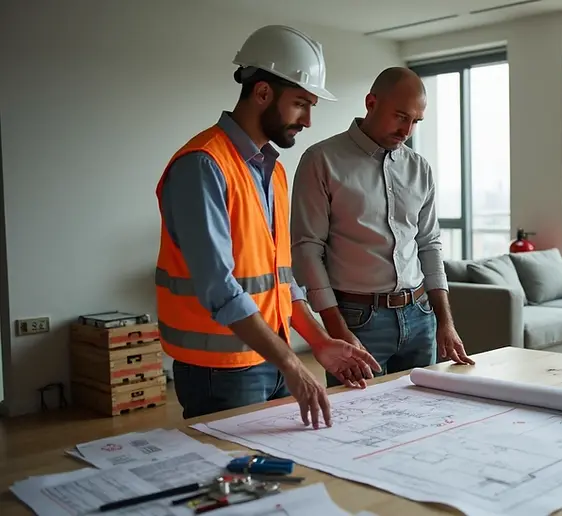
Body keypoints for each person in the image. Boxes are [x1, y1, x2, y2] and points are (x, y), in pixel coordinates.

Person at [155, 25, 381, 428]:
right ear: (261, 93)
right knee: (233, 481)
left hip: (271, 357)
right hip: (221, 370)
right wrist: (293, 363)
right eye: (299, 104)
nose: (308, 120)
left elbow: (280, 280)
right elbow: (219, 288)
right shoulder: (202, 165)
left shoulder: (272, 170)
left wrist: (318, 344)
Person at [291, 66, 475, 388]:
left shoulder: (419, 169)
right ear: (371, 102)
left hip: (420, 317)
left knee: (422, 419)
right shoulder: (321, 160)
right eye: (400, 116)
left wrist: (445, 322)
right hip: (358, 320)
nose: (407, 130)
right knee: (357, 425)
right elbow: (307, 251)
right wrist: (336, 328)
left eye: (416, 121)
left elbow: (429, 245)